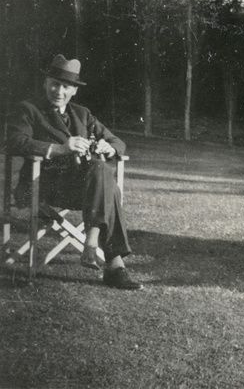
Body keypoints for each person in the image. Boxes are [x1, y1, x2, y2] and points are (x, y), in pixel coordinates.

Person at [7, 54, 143, 290]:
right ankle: (114, 266)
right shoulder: (28, 110)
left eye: (66, 86)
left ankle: (91, 243)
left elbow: (116, 141)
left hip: (82, 189)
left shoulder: (82, 114)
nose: (59, 91)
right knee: (106, 185)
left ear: (74, 91)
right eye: (54, 84)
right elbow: (14, 141)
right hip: (42, 185)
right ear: (45, 83)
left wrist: (108, 146)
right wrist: (60, 148)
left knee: (101, 169)